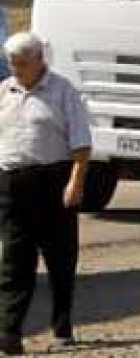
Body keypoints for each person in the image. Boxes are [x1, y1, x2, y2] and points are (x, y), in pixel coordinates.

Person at [0, 32, 92, 354]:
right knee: (14, 261)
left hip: (54, 182)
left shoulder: (62, 91)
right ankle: (9, 333)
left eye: (22, 63)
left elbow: (81, 143)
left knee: (60, 261)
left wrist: (75, 182)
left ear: (40, 60)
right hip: (13, 184)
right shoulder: (4, 92)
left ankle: (62, 327)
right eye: (11, 63)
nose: (16, 69)